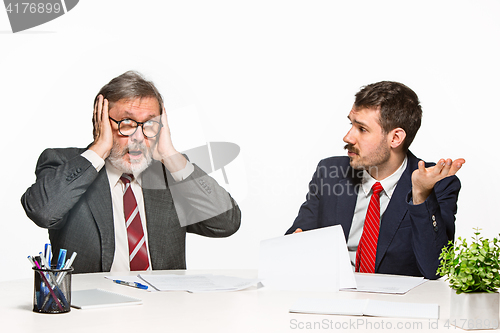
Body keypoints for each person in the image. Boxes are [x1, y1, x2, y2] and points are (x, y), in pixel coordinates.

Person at [22, 71, 241, 274]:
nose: (138, 136)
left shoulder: (171, 174)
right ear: (101, 123)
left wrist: (170, 155)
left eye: (149, 124)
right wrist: (99, 148)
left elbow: (226, 223)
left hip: (166, 310)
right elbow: (43, 212)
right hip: (93, 312)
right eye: (126, 123)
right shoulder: (63, 164)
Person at [286, 81, 464, 280]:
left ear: (395, 138)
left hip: (396, 305)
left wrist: (421, 195)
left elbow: (435, 269)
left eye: (362, 129)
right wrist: (296, 245)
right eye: (351, 124)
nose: (347, 137)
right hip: (332, 297)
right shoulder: (330, 172)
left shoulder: (438, 183)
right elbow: (297, 240)